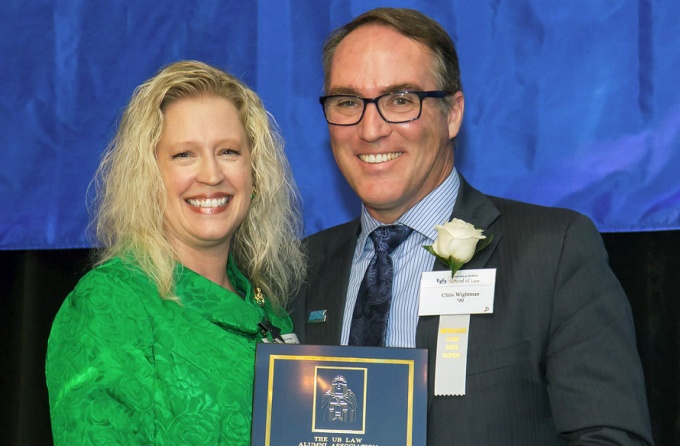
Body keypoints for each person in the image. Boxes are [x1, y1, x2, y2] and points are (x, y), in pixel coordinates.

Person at [292, 8, 654, 445]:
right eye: (348, 102)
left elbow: (610, 437)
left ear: (453, 114)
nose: (370, 129)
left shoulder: (553, 253)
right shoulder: (300, 269)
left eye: (401, 100)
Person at [46, 60, 304, 445]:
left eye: (228, 151)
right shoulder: (109, 304)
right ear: (149, 176)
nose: (212, 175)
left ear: (255, 175)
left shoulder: (270, 311)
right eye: (184, 154)